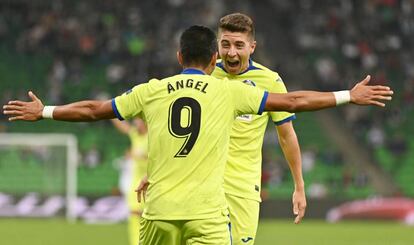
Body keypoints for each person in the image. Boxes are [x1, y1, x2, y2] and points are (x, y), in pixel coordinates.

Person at [3, 25, 392, 244]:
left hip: (158, 212)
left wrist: (47, 111)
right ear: (214, 60)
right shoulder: (228, 92)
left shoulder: (152, 90)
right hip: (207, 214)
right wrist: (346, 95)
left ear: (178, 58)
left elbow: (93, 110)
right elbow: (295, 100)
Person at [213, 13, 305, 244]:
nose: (231, 52)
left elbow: (286, 136)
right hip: (205, 182)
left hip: (243, 187)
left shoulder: (270, 81)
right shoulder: (206, 74)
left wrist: (299, 186)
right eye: (225, 44)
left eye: (239, 45)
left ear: (252, 47)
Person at [111, 118, 148, 245]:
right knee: (134, 213)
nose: (136, 124)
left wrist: (136, 156)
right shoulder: (135, 135)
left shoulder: (153, 137)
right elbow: (124, 127)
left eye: (138, 121)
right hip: (136, 182)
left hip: (151, 181)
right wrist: (111, 114)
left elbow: (158, 158)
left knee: (148, 216)